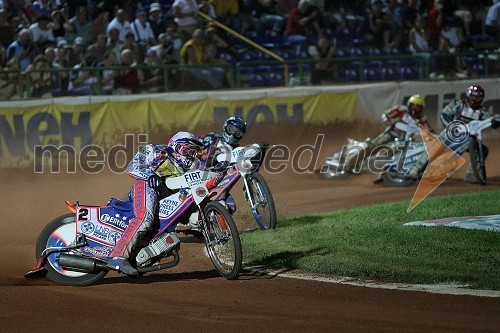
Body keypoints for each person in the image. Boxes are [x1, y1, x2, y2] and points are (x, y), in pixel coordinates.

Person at [107, 132, 206, 275]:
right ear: (176, 146)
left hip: (169, 201)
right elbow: (132, 166)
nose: (191, 155)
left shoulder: (195, 167)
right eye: (188, 150)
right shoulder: (156, 150)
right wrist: (150, 175)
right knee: (145, 218)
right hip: (147, 187)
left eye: (194, 152)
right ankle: (118, 256)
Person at [406, 85, 496, 181]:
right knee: (436, 145)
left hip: (470, 138)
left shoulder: (482, 112)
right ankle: (416, 169)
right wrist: (450, 125)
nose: (475, 99)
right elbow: (444, 114)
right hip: (452, 132)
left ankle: (471, 174)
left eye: (478, 97)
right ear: (468, 95)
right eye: (474, 96)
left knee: (483, 150)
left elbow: (491, 121)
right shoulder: (457, 104)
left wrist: (496, 121)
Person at [343, 94, 432, 172]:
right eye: (413, 106)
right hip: (391, 135)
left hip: (406, 141)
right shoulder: (401, 110)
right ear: (409, 105)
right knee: (372, 146)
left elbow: (429, 130)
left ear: (421, 108)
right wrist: (390, 121)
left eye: (418, 107)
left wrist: (433, 137)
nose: (415, 109)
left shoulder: (422, 119)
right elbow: (385, 115)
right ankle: (348, 164)